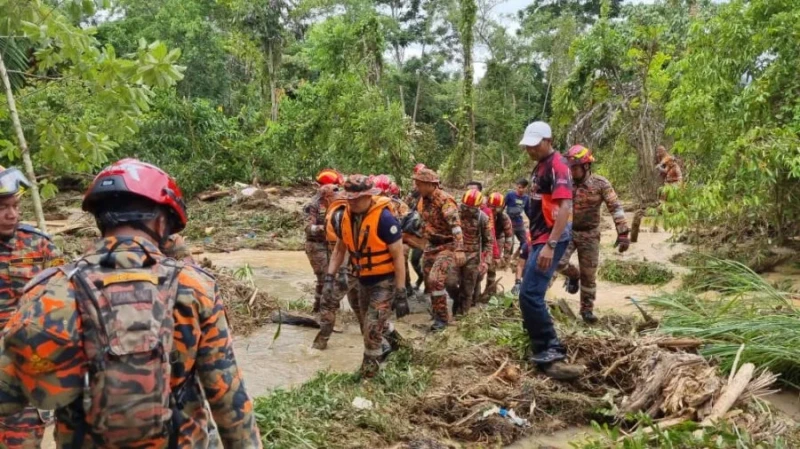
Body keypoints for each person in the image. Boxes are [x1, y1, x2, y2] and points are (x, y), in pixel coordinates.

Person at [0, 159, 261, 447]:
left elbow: (9, 395)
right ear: (162, 222)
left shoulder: (53, 288)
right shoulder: (195, 287)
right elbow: (228, 397)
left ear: (99, 219)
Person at [0, 166, 64, 449]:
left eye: (15, 206)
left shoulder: (40, 246)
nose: (11, 214)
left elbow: (64, 309)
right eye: (2, 208)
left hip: (20, 375)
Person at [517, 121, 584, 380]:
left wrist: (550, 245)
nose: (530, 150)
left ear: (548, 140)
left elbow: (565, 207)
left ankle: (551, 350)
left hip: (551, 239)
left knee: (530, 293)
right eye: (528, 146)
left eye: (535, 145)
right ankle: (536, 339)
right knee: (529, 293)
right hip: (539, 238)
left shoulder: (558, 166)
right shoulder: (540, 166)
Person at [326, 175, 408, 378]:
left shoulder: (385, 219)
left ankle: (369, 376)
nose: (352, 201)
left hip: (384, 281)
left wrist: (401, 292)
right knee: (368, 324)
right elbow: (339, 250)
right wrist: (329, 278)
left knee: (371, 329)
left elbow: (398, 257)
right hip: (363, 280)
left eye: (357, 198)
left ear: (369, 196)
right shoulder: (343, 217)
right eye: (349, 198)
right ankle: (402, 348)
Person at [556, 145, 630, 324]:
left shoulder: (601, 184)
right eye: (570, 168)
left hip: (590, 234)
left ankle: (587, 310)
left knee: (589, 274)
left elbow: (615, 207)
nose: (572, 171)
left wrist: (623, 233)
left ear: (586, 166)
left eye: (575, 168)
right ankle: (573, 275)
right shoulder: (564, 182)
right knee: (558, 263)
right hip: (568, 231)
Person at [413, 168, 465, 331]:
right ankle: (437, 313)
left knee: (436, 280)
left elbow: (456, 227)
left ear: (431, 185)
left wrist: (459, 249)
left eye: (419, 184)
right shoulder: (422, 200)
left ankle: (442, 319)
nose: (417, 186)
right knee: (429, 280)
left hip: (447, 245)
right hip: (431, 244)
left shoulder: (445, 201)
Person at [304, 169, 343, 312]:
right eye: (333, 187)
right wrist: (325, 228)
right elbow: (308, 228)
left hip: (332, 245)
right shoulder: (312, 204)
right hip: (316, 245)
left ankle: (323, 308)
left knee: (334, 277)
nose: (336, 191)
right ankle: (322, 311)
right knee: (325, 277)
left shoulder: (338, 202)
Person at [455, 190, 491, 315]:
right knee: (449, 282)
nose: (468, 212)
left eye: (472, 209)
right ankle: (456, 301)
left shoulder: (483, 218)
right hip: (454, 253)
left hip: (473, 257)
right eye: (465, 208)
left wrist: (486, 262)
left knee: (468, 288)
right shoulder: (454, 213)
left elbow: (488, 242)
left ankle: (462, 315)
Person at [481, 192, 513, 302]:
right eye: (491, 207)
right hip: (482, 238)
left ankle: (489, 291)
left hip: (498, 238)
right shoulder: (482, 213)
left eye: (497, 208)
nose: (493, 211)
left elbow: (509, 236)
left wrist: (506, 254)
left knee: (492, 266)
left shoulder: (504, 218)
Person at [405, 164, 427, 291]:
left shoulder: (434, 195)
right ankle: (420, 278)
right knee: (414, 260)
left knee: (429, 262)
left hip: (426, 233)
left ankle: (429, 287)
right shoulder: (414, 193)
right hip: (414, 232)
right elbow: (406, 207)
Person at [504, 179, 531, 257]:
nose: (521, 190)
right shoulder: (510, 195)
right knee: (510, 243)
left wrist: (533, 220)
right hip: (509, 223)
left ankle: (516, 257)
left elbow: (528, 211)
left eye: (523, 188)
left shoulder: (526, 198)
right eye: (519, 187)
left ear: (526, 188)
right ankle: (507, 260)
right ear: (516, 186)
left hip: (519, 223)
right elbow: (502, 206)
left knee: (525, 242)